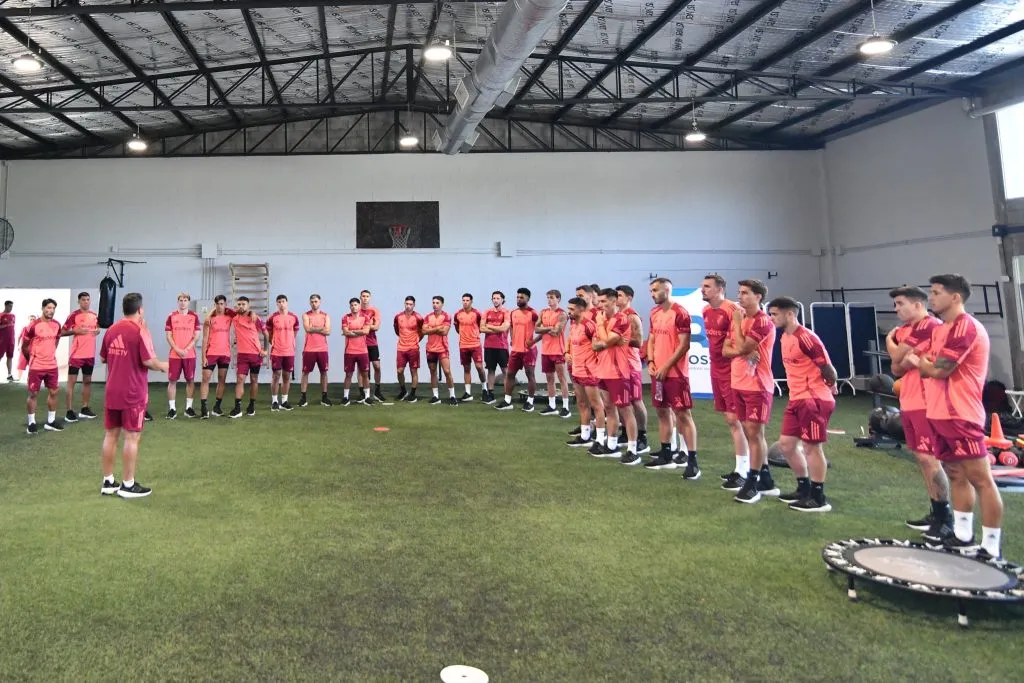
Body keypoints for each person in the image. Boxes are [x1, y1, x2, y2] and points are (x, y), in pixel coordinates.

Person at [905, 274, 1003, 559]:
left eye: (936, 293)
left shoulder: (966, 327)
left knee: (981, 479)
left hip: (961, 414)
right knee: (955, 474)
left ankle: (991, 547)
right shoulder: (940, 329)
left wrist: (923, 365)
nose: (931, 298)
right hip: (938, 413)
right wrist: (925, 365)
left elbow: (939, 370)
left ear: (955, 297)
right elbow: (922, 365)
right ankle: (963, 536)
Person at [886, 286, 948, 535]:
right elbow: (897, 369)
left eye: (900, 303)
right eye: (895, 305)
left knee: (930, 459)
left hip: (927, 401)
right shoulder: (906, 331)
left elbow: (901, 362)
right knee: (922, 460)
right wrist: (900, 352)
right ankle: (936, 512)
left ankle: (945, 519)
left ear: (917, 304)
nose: (897, 309)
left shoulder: (930, 326)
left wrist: (890, 343)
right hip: (909, 401)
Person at [768, 296, 838, 512]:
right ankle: (804, 488)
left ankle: (819, 498)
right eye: (770, 314)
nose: (772, 319)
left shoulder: (806, 337)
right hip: (797, 398)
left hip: (813, 399)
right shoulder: (784, 337)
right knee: (787, 445)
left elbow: (828, 369)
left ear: (790, 314)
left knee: (811, 447)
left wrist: (829, 386)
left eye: (775, 314)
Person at [99, 292, 168, 499]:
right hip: (132, 392)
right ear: (140, 310)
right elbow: (150, 362)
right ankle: (128, 485)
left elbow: (104, 359)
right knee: (132, 437)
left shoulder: (111, 330)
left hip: (112, 390)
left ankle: (108, 481)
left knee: (111, 435)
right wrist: (168, 366)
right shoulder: (140, 331)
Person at [723, 279, 779, 504]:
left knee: (755, 434)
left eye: (745, 293)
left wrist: (737, 328)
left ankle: (752, 482)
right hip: (739, 382)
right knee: (748, 432)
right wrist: (742, 349)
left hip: (757, 385)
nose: (740, 296)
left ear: (758, 297)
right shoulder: (741, 319)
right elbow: (727, 350)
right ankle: (765, 479)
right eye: (739, 292)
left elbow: (745, 346)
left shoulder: (762, 321)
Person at [646, 278, 699, 478]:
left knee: (683, 415)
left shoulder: (680, 313)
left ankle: (692, 460)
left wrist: (666, 366)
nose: (652, 294)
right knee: (662, 412)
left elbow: (684, 345)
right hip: (657, 373)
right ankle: (666, 453)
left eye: (655, 290)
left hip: (676, 374)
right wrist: (651, 361)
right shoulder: (654, 313)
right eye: (651, 290)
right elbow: (651, 338)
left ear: (667, 290)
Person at [702, 274, 749, 489]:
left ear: (720, 288)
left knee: (735, 420)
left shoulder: (732, 310)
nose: (703, 290)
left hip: (732, 371)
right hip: (716, 370)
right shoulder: (705, 311)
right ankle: (742, 468)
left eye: (707, 286)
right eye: (703, 286)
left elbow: (737, 343)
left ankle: (745, 470)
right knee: (730, 420)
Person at [592, 288, 639, 464]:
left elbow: (606, 340)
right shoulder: (603, 318)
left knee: (626, 410)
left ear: (613, 301)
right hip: (602, 369)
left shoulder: (621, 319)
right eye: (600, 302)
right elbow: (596, 343)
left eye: (604, 301)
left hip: (618, 371)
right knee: (609, 408)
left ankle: (633, 450)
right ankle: (611, 445)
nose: (601, 305)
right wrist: (602, 341)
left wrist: (600, 326)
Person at [565, 296, 606, 449]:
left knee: (597, 406)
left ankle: (601, 439)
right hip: (576, 370)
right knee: (582, 404)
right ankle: (585, 435)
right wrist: (567, 353)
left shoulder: (589, 325)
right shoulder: (573, 325)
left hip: (590, 371)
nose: (569, 312)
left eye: (571, 309)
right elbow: (570, 343)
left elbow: (599, 346)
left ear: (581, 309)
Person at [616, 285, 650, 452]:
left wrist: (617, 339)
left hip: (631, 364)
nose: (617, 298)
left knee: (636, 401)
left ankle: (643, 435)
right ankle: (625, 431)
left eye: (620, 295)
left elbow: (638, 341)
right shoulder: (616, 316)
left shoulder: (632, 316)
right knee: (621, 402)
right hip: (618, 365)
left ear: (629, 298)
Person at [23, 299, 64, 434]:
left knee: (54, 392)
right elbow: (24, 346)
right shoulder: (33, 326)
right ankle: (31, 423)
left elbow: (56, 340)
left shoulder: (57, 325)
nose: (51, 311)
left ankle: (51, 421)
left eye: (53, 308)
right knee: (33, 394)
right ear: (42, 308)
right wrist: (31, 360)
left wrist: (50, 354)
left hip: (51, 365)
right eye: (48, 308)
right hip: (36, 366)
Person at [496, 288, 538, 412]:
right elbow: (512, 327)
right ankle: (507, 401)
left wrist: (533, 341)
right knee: (509, 374)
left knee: (530, 374)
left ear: (528, 299)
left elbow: (541, 329)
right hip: (515, 350)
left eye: (522, 297)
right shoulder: (513, 312)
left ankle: (530, 402)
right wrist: (513, 339)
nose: (519, 299)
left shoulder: (533, 313)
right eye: (518, 297)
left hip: (528, 350)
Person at [62, 291, 101, 422]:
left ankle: (84, 408)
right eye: (83, 300)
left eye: (88, 299)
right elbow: (61, 332)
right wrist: (74, 331)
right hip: (76, 355)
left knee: (87, 381)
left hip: (89, 355)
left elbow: (97, 328)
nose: (86, 302)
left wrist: (98, 330)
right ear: (78, 301)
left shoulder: (94, 315)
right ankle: (69, 411)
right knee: (71, 383)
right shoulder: (74, 315)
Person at [229, 296, 268, 418]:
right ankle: (238, 408)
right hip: (242, 355)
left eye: (243, 304)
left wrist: (265, 350)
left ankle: (251, 406)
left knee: (254, 380)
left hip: (256, 355)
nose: (241, 306)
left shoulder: (255, 318)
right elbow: (220, 309)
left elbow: (266, 334)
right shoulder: (234, 318)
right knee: (240, 379)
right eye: (239, 304)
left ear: (248, 305)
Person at [164, 292, 201, 419]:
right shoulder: (171, 316)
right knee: (172, 381)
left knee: (190, 380)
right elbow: (168, 336)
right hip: (174, 355)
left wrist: (186, 349)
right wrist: (177, 349)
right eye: (181, 300)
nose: (183, 302)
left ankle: (189, 408)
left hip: (189, 355)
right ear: (178, 301)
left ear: (188, 302)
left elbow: (196, 336)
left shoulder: (194, 316)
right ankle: (172, 409)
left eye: (185, 300)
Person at [535, 289, 571, 418]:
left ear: (558, 299)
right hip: (546, 351)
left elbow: (557, 332)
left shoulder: (562, 314)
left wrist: (545, 329)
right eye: (548, 297)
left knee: (562, 379)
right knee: (549, 379)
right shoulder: (543, 312)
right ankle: (552, 406)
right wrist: (550, 328)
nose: (549, 300)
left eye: (552, 297)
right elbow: (536, 329)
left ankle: (566, 407)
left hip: (558, 351)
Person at [200, 295, 234, 418]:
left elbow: (240, 312)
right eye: (217, 304)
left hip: (225, 353)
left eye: (222, 304)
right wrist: (203, 356)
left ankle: (217, 407)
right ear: (214, 305)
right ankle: (204, 409)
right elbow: (204, 339)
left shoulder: (229, 317)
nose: (220, 306)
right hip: (211, 353)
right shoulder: (208, 320)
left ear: (225, 304)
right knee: (205, 378)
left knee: (222, 380)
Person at [423, 295, 459, 406]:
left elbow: (444, 332)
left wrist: (431, 330)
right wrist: (437, 328)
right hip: (430, 348)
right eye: (433, 302)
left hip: (442, 348)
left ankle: (452, 396)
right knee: (432, 371)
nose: (435, 304)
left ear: (442, 304)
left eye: (437, 302)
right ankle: (435, 396)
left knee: (447, 372)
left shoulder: (446, 316)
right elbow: (424, 331)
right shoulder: (428, 316)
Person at [266, 294, 300, 411]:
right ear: (277, 304)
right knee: (276, 376)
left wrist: (290, 342)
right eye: (279, 302)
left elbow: (295, 331)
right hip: (277, 352)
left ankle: (285, 401)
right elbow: (269, 334)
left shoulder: (294, 317)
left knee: (286, 376)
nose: (281, 303)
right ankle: (275, 401)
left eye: (283, 301)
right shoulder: (272, 318)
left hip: (289, 351)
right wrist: (274, 342)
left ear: (287, 303)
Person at [300, 294, 332, 408]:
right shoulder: (306, 315)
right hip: (309, 349)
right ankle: (303, 397)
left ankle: (324, 397)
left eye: (316, 301)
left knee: (324, 372)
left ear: (320, 302)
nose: (314, 303)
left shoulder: (325, 315)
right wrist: (321, 329)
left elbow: (328, 332)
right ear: (310, 303)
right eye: (312, 301)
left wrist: (314, 328)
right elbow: (307, 329)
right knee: (305, 373)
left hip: (322, 349)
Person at [454, 293, 486, 402]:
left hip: (475, 345)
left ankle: (484, 389)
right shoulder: (457, 314)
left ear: (471, 301)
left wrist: (473, 335)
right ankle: (468, 393)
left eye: (467, 300)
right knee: (466, 369)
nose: (465, 302)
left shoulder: (477, 313)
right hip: (463, 345)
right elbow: (457, 328)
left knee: (479, 367)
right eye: (463, 300)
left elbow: (481, 327)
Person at [479, 290, 510, 404]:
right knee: (491, 370)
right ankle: (490, 393)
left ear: (502, 300)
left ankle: (507, 394)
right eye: (494, 298)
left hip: (502, 346)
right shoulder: (487, 312)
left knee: (505, 371)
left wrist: (489, 326)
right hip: (489, 346)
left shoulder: (506, 312)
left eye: (498, 298)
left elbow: (504, 328)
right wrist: (497, 327)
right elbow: (481, 328)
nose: (495, 300)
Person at [341, 297, 372, 405]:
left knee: (365, 374)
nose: (354, 307)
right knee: (348, 375)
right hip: (349, 351)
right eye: (352, 305)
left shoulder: (366, 317)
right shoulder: (345, 318)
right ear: (350, 307)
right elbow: (346, 332)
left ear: (359, 306)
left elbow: (366, 331)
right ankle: (345, 397)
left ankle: (367, 397)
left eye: (356, 305)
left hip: (363, 351)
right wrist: (359, 332)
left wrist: (352, 332)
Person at [394, 296, 424, 402]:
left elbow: (422, 331)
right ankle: (403, 391)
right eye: (407, 304)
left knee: (413, 371)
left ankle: (413, 394)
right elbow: (397, 330)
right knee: (399, 371)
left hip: (413, 349)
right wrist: (404, 339)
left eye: (410, 304)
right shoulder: (398, 316)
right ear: (404, 304)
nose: (408, 306)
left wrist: (416, 340)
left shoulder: (418, 317)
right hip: (401, 348)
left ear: (414, 305)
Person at [360, 289, 386, 402]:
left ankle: (377, 391)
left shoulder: (375, 310)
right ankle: (363, 392)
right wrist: (368, 324)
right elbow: (356, 327)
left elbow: (376, 327)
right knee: (362, 369)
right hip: (360, 343)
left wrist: (365, 325)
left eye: (367, 296)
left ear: (370, 298)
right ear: (360, 297)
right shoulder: (357, 310)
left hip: (372, 342)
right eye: (363, 296)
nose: (365, 298)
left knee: (377, 366)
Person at [14, 315, 35, 382]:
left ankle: (30, 379)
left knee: (32, 365)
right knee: (21, 363)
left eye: (33, 319)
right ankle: (19, 378)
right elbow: (19, 337)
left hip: (32, 349)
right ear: (28, 320)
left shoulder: (36, 329)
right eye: (31, 319)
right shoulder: (24, 328)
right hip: (24, 349)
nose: (32, 320)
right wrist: (18, 346)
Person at [1, 300, 15, 382]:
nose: (11, 308)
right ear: (5, 306)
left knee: (10, 357)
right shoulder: (1, 315)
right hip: (2, 340)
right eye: (10, 306)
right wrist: (5, 325)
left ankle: (9, 375)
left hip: (11, 340)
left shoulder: (13, 316)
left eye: (12, 306)